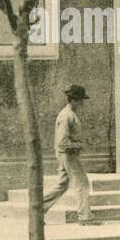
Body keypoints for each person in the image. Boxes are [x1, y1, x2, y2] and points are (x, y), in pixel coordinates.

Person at [43, 84, 94, 223]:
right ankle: (85, 217)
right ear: (73, 100)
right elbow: (62, 142)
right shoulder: (66, 116)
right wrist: (80, 145)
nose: (82, 103)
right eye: (80, 100)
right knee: (82, 184)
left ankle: (38, 209)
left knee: (62, 185)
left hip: (66, 154)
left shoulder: (69, 114)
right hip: (68, 155)